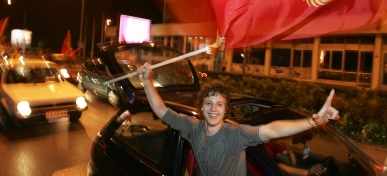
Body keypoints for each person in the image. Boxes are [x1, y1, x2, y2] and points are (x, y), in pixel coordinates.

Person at [137, 62, 339, 176]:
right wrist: (146, 81)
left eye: (219, 104)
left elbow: (271, 130)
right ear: (200, 107)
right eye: (208, 103)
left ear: (225, 111)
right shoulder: (192, 127)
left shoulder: (236, 135)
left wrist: (313, 122)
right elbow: (161, 109)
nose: (213, 108)